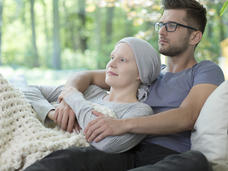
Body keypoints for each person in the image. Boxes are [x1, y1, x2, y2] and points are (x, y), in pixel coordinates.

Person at [25, 0, 225, 171]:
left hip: (166, 153)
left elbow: (187, 116)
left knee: (196, 162)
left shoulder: (205, 70)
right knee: (69, 158)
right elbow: (86, 76)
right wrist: (67, 99)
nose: (162, 32)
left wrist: (122, 125)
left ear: (195, 36)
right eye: (161, 24)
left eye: (172, 25)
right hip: (125, 149)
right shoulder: (149, 73)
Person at [22, 37, 160, 154]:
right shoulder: (90, 91)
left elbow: (108, 145)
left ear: (141, 73)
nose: (111, 64)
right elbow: (27, 90)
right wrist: (53, 113)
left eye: (122, 60)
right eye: (112, 57)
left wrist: (75, 100)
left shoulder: (139, 111)